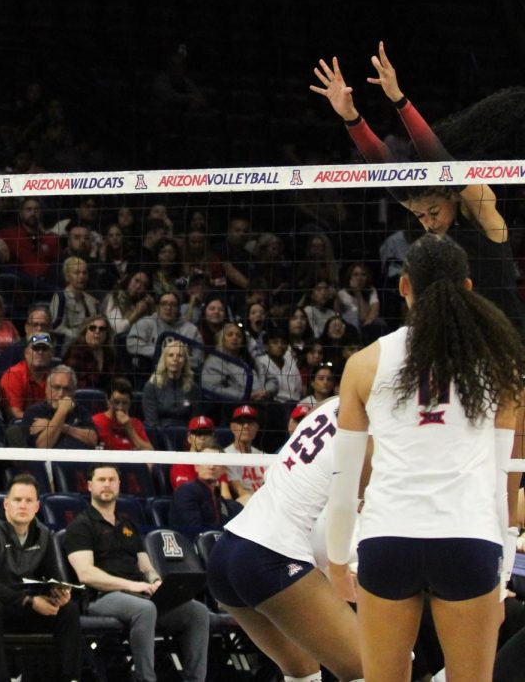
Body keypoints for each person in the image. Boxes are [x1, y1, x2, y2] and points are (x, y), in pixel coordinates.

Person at [326, 234, 525, 680]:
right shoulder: (501, 364)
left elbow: (344, 483)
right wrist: (501, 570)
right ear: (469, 287)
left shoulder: (363, 363)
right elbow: (502, 482)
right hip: (468, 538)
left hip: (387, 539)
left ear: (403, 286)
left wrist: (338, 562)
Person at [311, 44, 525, 335]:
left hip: (509, 342)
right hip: (461, 349)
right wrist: (352, 118)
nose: (429, 221)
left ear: (450, 194)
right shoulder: (435, 245)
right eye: (421, 216)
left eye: (433, 211)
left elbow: (443, 164)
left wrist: (399, 100)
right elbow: (386, 172)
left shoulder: (483, 214)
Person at [205, 397, 364, 682]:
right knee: (370, 670)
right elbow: (344, 508)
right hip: (270, 556)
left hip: (228, 551)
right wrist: (340, 569)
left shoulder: (332, 405)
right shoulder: (369, 434)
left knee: (303, 673)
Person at [65, 463, 210, 682]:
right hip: (102, 598)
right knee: (145, 609)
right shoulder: (80, 526)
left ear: (119, 485)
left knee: (197, 611)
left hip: (141, 596)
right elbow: (86, 574)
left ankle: (195, 679)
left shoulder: (128, 525)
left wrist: (156, 581)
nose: (107, 484)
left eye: (112, 479)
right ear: (89, 485)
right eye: (101, 479)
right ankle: (145, 678)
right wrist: (131, 585)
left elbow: (146, 567)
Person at [0, 473, 82, 682]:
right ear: (6, 504)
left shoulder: (43, 533)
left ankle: (67, 678)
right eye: (17, 500)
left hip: (22, 606)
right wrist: (29, 601)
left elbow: (52, 576)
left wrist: (59, 593)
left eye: (29, 501)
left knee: (69, 610)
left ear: (37, 507)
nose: (23, 505)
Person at [16, 365, 97, 450]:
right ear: (46, 388)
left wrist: (57, 426)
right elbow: (43, 446)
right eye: (56, 387)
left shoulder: (81, 411)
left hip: (79, 459)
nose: (61, 394)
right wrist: (62, 411)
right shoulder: (34, 412)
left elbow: (93, 440)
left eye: (67, 389)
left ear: (73, 392)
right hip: (48, 462)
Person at [126, 291, 204, 371]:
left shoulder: (191, 330)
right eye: (164, 304)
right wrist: (166, 353)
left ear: (178, 309)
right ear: (157, 307)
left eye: (173, 305)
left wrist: (175, 360)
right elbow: (132, 345)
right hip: (151, 374)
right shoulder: (145, 323)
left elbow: (198, 360)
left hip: (182, 375)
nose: (168, 308)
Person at [201, 324, 274, 403]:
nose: (234, 338)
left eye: (238, 335)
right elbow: (212, 388)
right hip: (230, 408)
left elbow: (272, 380)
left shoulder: (251, 359)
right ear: (222, 339)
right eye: (230, 334)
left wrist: (266, 391)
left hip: (262, 403)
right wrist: (246, 396)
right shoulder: (214, 361)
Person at [141, 338, 204, 429]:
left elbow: (194, 424)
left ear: (185, 361)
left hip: (186, 438)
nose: (175, 359)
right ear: (164, 360)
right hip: (158, 437)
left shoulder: (193, 389)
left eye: (180, 355)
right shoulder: (151, 386)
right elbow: (151, 424)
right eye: (171, 355)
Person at [169, 443, 234, 531]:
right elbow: (193, 531)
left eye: (217, 462)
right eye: (207, 461)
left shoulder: (220, 499)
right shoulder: (186, 491)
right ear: (196, 467)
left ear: (224, 469)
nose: (211, 466)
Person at [0, 332, 55, 421]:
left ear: (51, 354)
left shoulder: (57, 377)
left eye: (45, 349)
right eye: (36, 348)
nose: (40, 352)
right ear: (26, 353)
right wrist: (45, 423)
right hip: (22, 428)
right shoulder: (13, 375)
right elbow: (15, 414)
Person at [91, 378, 153, 451]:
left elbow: (150, 452)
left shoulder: (136, 423)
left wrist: (129, 429)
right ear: (107, 401)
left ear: (130, 403)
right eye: (116, 402)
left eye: (125, 403)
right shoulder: (95, 421)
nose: (120, 407)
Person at [62, 315, 118, 393]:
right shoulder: (75, 351)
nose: (97, 331)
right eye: (92, 328)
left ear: (106, 334)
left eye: (102, 329)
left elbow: (118, 380)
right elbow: (76, 383)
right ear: (85, 332)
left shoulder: (110, 354)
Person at [222, 405, 265, 503]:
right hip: (242, 504)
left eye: (250, 422)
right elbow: (239, 490)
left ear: (257, 427)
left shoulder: (264, 456)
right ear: (232, 427)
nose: (246, 426)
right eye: (241, 422)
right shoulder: (225, 456)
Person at [102, 270, 154, 337]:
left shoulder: (144, 304)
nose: (138, 286)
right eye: (136, 280)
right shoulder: (114, 297)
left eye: (144, 285)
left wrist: (152, 308)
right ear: (129, 279)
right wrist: (137, 312)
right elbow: (118, 330)